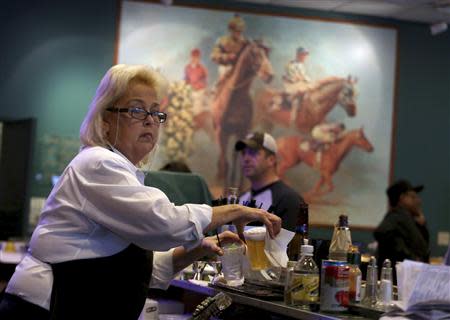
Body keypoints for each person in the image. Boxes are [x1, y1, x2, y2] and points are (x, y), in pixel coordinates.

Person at [0, 64, 281, 320]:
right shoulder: (98, 162)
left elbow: (136, 269)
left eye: (156, 112)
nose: (150, 120)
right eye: (136, 110)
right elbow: (164, 222)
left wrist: (194, 250)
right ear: (105, 119)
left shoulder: (123, 173)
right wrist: (235, 210)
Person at [235, 131, 304, 232]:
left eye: (253, 153)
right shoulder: (241, 198)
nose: (246, 159)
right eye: (244, 153)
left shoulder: (290, 200)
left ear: (271, 160)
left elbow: (293, 245)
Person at [374, 179, 430, 283]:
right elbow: (381, 232)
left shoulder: (407, 217)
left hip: (405, 281)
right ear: (402, 198)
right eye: (413, 197)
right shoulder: (397, 215)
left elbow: (421, 246)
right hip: (396, 283)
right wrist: (409, 258)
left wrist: (421, 225)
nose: (418, 200)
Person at [211, 14, 248, 90]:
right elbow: (213, 55)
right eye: (236, 31)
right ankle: (216, 89)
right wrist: (227, 56)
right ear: (231, 30)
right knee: (226, 72)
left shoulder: (244, 42)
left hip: (239, 69)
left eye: (240, 32)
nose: (238, 34)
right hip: (226, 66)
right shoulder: (223, 41)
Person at [184, 48, 208, 115]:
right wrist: (186, 86)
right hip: (190, 91)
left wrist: (200, 86)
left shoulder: (202, 68)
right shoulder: (187, 68)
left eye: (197, 57)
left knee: (197, 111)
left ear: (199, 58)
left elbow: (205, 80)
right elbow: (186, 79)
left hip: (199, 92)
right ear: (191, 57)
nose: (195, 59)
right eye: (194, 57)